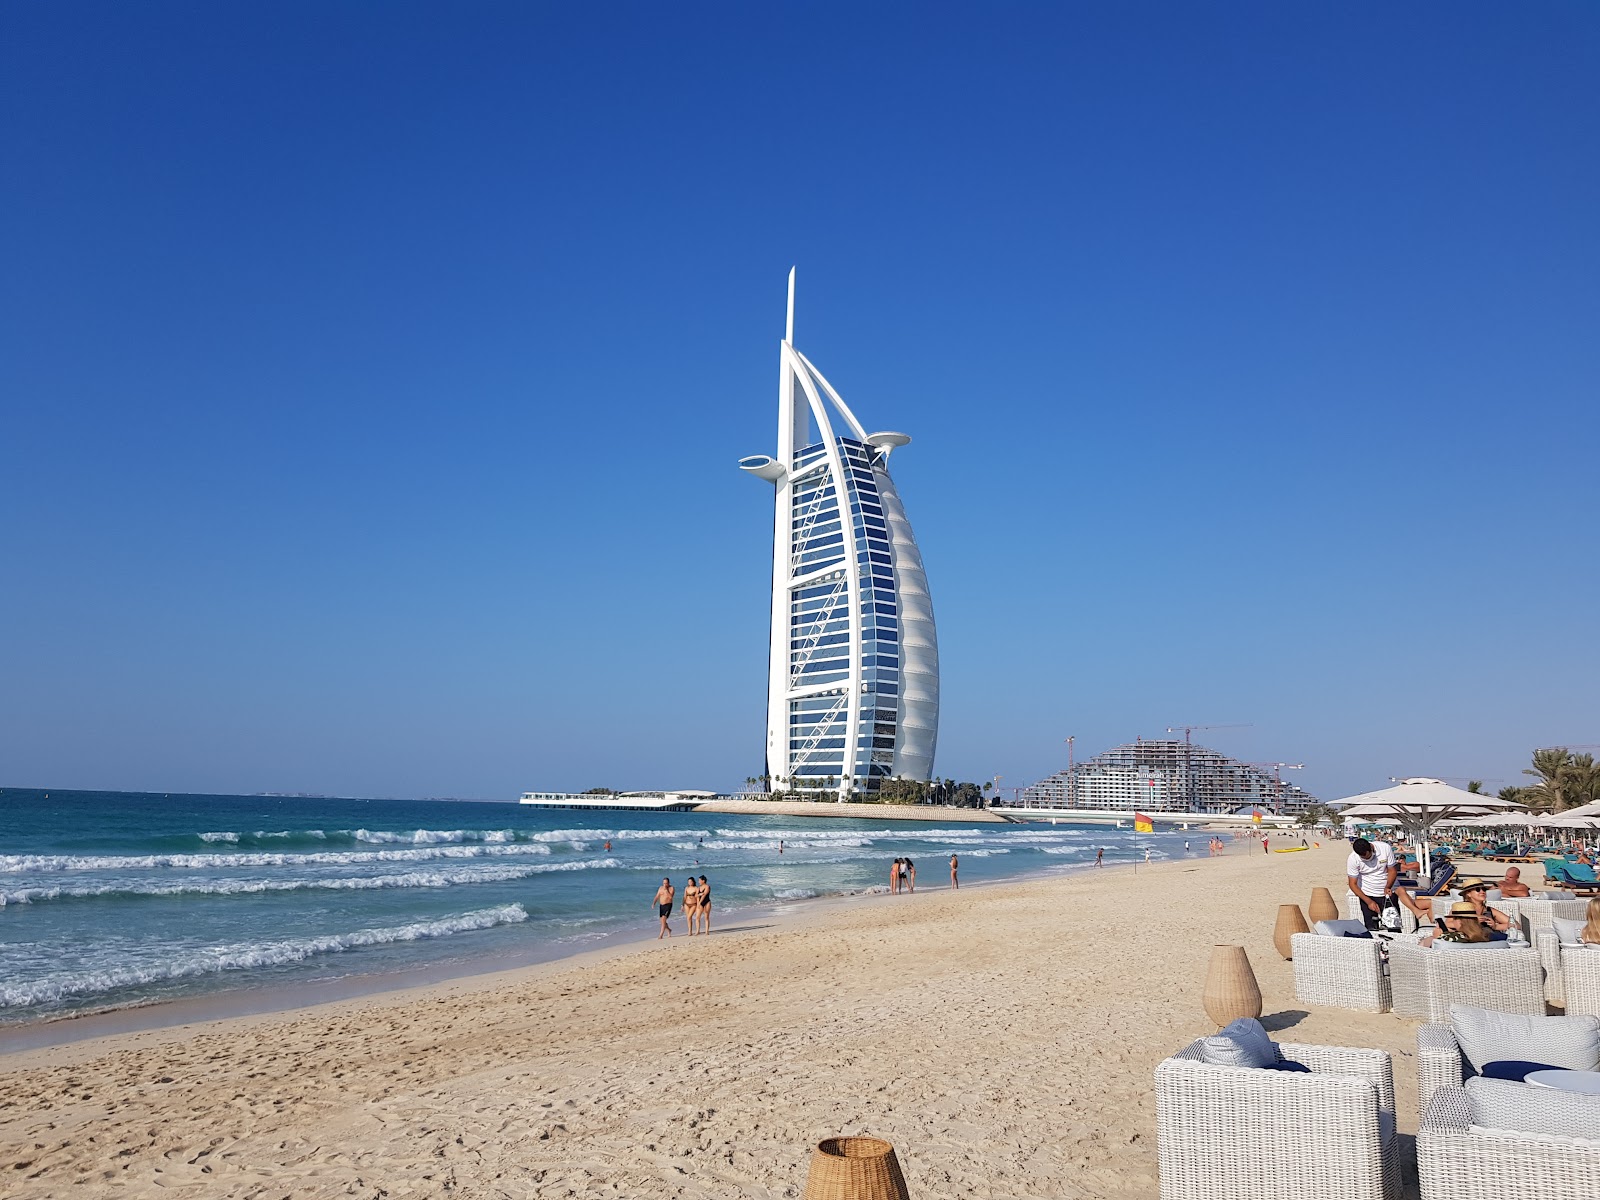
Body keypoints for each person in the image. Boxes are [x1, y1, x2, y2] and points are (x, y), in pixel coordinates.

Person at [1346, 837, 1398, 931]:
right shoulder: (1353, 859)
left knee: (1394, 927)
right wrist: (1368, 901)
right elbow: (1352, 884)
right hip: (1367, 893)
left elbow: (1392, 870)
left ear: (1371, 848)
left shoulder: (1385, 848)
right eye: (1363, 858)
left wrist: (1388, 886)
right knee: (1371, 928)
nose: (1367, 859)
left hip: (1387, 893)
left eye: (1368, 856)